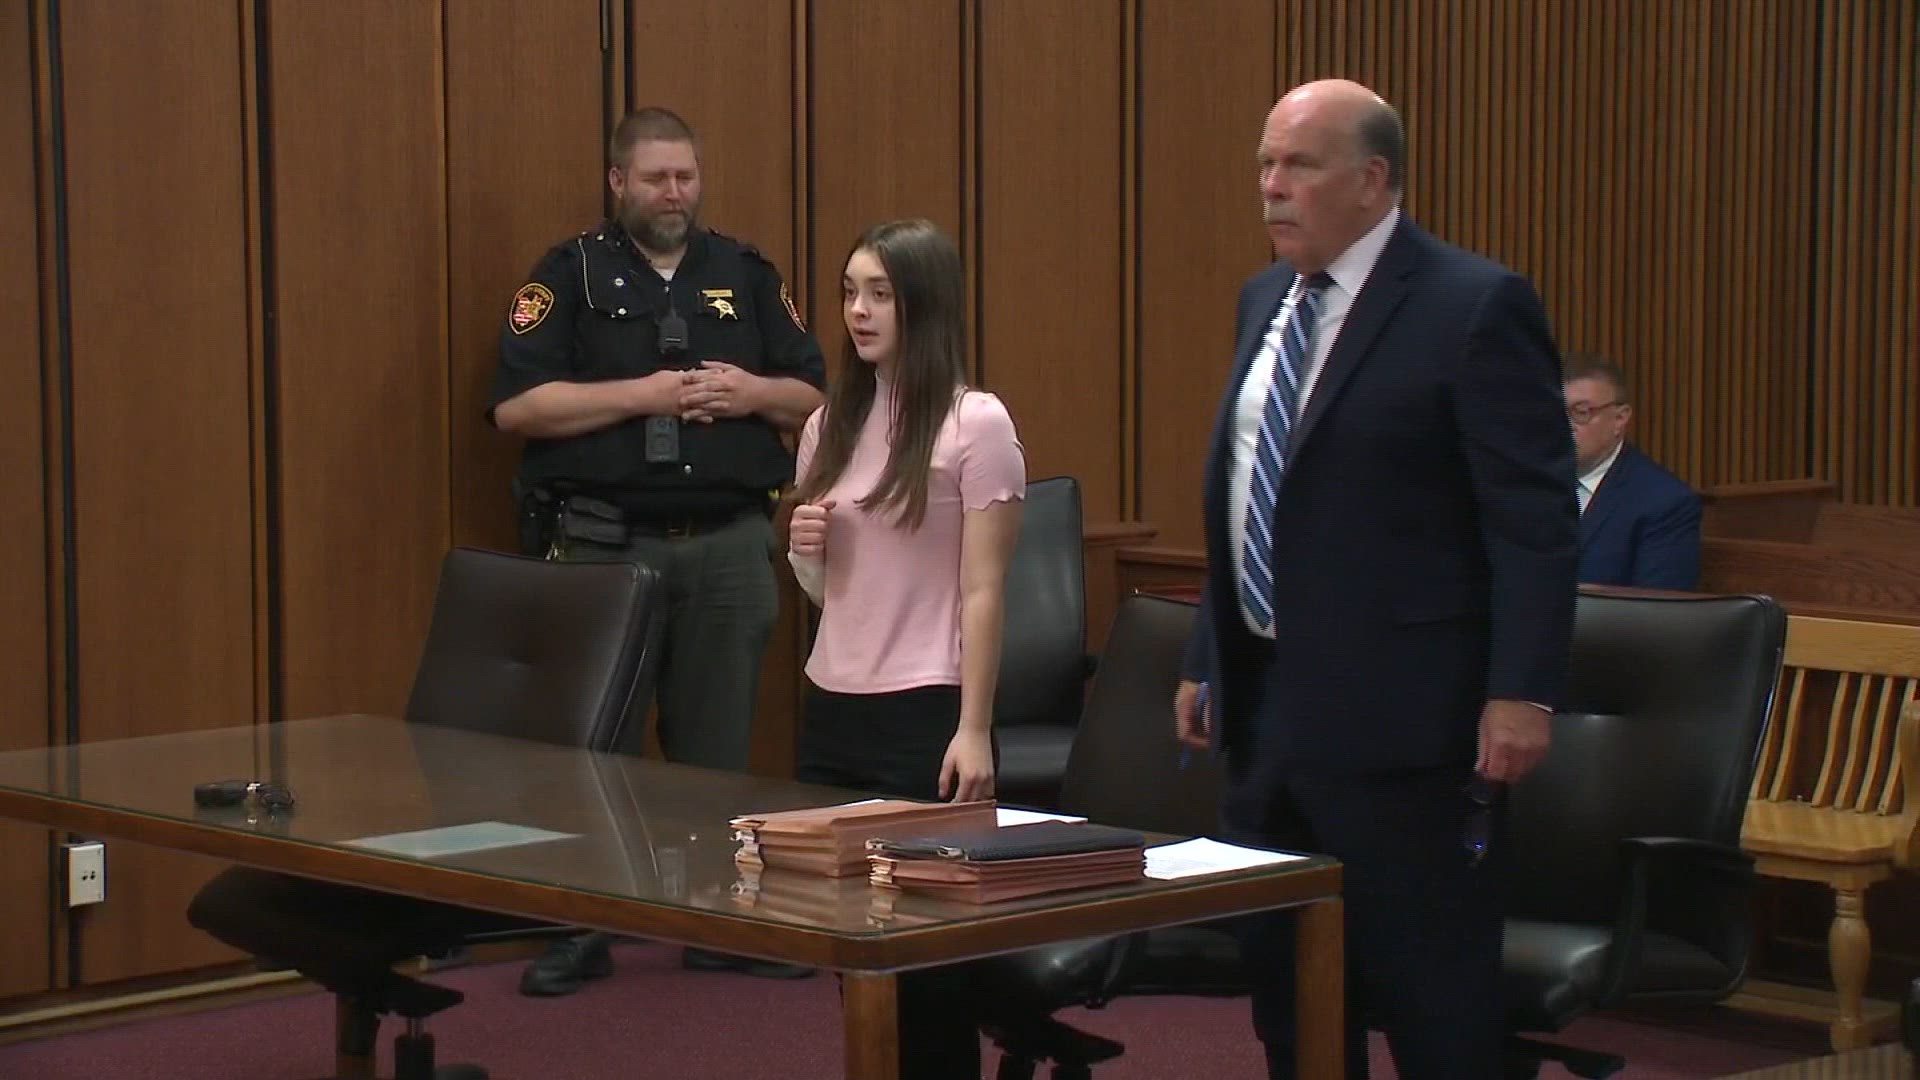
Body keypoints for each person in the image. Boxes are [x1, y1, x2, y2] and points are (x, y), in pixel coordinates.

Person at [1173, 81, 1579, 1078]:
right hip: (1269, 719)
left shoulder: (1472, 305)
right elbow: (1254, 491)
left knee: (1431, 1006)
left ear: (1372, 178)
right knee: (1290, 998)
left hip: (1411, 734)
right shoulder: (1264, 300)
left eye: (1298, 166)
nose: (1272, 187)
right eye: (1265, 164)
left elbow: (1532, 521)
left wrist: (1522, 691)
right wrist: (1208, 652)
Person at [489, 107, 826, 991]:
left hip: (726, 549)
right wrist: (646, 394)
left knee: (717, 753)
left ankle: (720, 919)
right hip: (605, 550)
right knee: (591, 754)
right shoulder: (568, 275)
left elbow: (815, 398)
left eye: (686, 176)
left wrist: (751, 393)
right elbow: (517, 409)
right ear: (618, 182)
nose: (675, 193)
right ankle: (581, 926)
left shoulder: (745, 274)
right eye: (656, 178)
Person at [786, 218, 1025, 1079]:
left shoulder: (974, 423)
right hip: (833, 708)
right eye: (850, 292)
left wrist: (975, 727)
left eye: (880, 294)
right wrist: (806, 553)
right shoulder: (828, 424)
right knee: (854, 955)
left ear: (924, 304)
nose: (858, 310)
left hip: (924, 710)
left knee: (926, 967)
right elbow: (832, 594)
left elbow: (983, 590)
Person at [1563, 353, 1702, 590]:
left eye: (1581, 412)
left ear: (1619, 419)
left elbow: (1657, 605)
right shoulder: (1519, 485)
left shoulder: (1664, 502)